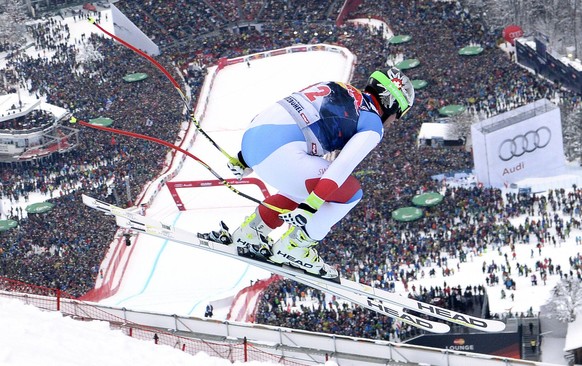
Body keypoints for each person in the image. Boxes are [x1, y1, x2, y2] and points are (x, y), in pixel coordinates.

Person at [226, 67, 415, 279]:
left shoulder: (337, 86)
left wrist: (245, 156)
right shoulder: (372, 123)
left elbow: (287, 110)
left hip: (253, 142)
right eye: (398, 115)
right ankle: (295, 246)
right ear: (391, 105)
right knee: (351, 193)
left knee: (306, 185)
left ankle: (253, 230)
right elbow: (341, 167)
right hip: (281, 158)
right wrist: (311, 206)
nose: (393, 122)